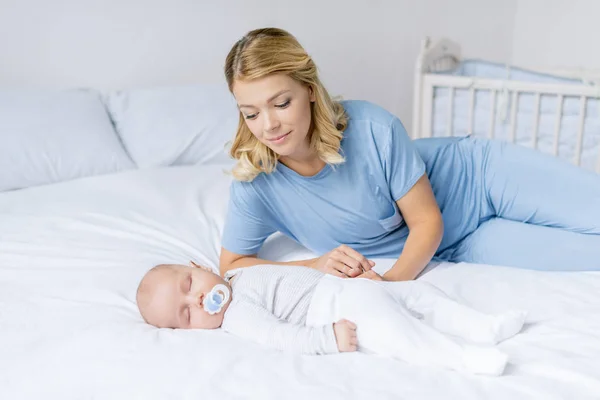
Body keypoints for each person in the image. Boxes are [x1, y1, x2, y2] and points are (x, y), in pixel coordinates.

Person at [220, 27, 600, 281]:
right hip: (462, 244)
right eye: (250, 113)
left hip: (483, 176)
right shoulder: (255, 182)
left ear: (310, 89)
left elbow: (426, 221)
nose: (268, 125)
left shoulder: (372, 128)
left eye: (281, 103)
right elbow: (233, 266)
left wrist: (389, 284)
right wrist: (315, 265)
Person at [136, 261, 527, 376]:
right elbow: (279, 336)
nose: (199, 298)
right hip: (338, 310)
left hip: (350, 289)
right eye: (187, 314)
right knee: (401, 333)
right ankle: (465, 358)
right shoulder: (238, 314)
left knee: (422, 295)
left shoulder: (238, 277)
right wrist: (328, 338)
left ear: (198, 266)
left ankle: (483, 326)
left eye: (190, 283)